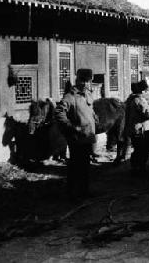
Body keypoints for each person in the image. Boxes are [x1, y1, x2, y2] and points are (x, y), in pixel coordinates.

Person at [55, 69, 96, 200]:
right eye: (82, 80)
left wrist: (95, 117)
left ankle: (84, 191)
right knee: (75, 166)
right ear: (77, 79)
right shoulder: (70, 96)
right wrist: (71, 127)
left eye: (87, 81)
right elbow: (59, 113)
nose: (85, 83)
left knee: (85, 166)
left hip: (88, 137)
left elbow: (90, 110)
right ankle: (72, 193)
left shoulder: (88, 95)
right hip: (77, 138)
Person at [124, 80, 149, 177]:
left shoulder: (130, 99)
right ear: (141, 91)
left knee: (137, 150)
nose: (146, 92)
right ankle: (140, 170)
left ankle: (135, 168)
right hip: (140, 130)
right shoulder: (139, 100)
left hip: (133, 129)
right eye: (145, 90)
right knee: (143, 150)